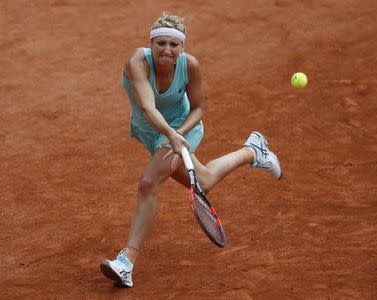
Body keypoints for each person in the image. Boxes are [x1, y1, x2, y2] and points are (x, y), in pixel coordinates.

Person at [100, 12, 282, 288]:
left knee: (149, 183)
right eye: (160, 43)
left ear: (182, 48)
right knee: (204, 181)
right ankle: (252, 151)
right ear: (151, 44)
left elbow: (198, 108)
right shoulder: (137, 62)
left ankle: (126, 261)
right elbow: (148, 107)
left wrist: (178, 134)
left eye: (174, 45)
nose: (167, 50)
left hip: (184, 129)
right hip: (154, 131)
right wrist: (169, 134)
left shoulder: (190, 66)